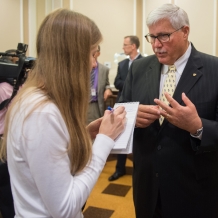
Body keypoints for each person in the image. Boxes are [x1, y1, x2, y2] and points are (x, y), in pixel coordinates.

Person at [0, 9, 126, 218]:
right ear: (73, 57)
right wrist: (105, 141)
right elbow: (65, 209)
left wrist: (86, 134)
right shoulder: (42, 113)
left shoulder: (37, 99)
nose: (95, 63)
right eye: (93, 54)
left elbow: (49, 160)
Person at [119, 3, 218, 218]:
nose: (155, 45)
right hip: (146, 188)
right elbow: (121, 109)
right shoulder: (138, 68)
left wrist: (198, 127)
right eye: (151, 37)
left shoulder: (214, 70)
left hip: (193, 192)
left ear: (185, 31)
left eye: (163, 36)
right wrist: (132, 116)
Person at [108, 35, 142, 181]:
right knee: (122, 137)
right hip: (124, 104)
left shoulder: (146, 63)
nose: (123, 48)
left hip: (141, 106)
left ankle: (140, 172)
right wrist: (130, 85)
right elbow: (117, 82)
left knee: (140, 140)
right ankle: (119, 169)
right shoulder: (122, 64)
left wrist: (128, 84)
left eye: (125, 45)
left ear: (133, 46)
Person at [87, 45, 112, 124]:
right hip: (82, 104)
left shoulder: (104, 69)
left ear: (98, 53)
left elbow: (107, 84)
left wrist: (108, 89)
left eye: (95, 52)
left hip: (96, 105)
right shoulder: (80, 68)